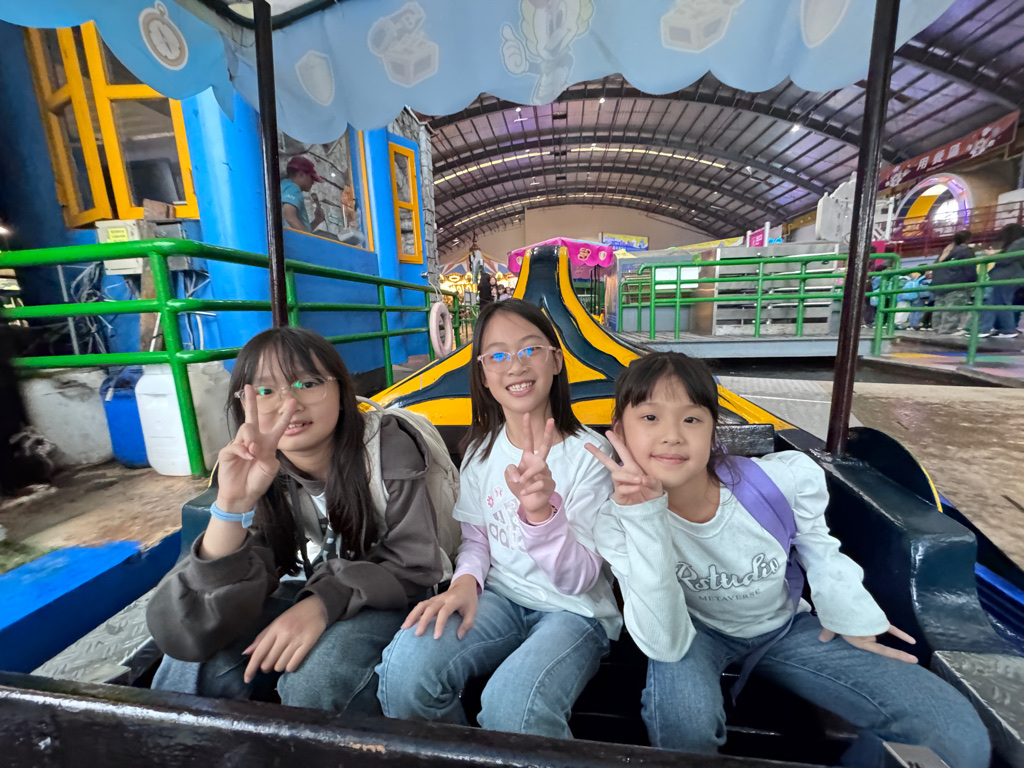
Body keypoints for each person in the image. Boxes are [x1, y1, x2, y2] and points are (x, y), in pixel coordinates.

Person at [585, 352, 990, 767]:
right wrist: (646, 517)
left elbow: (819, 546)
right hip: (692, 633)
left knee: (951, 728)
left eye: (691, 418)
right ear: (620, 432)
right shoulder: (617, 522)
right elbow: (666, 644)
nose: (672, 435)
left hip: (783, 626)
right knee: (683, 723)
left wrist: (849, 612)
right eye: (650, 417)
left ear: (712, 429)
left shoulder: (775, 482)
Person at [146, 327, 444, 712]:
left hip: (391, 596)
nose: (289, 403)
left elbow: (415, 570)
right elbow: (189, 627)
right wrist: (233, 503)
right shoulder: (252, 464)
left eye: (308, 383)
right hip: (310, 586)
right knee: (195, 667)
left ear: (341, 391)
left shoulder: (387, 449)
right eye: (265, 390)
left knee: (317, 676)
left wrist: (321, 603)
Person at [376, 299, 621, 738]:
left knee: (512, 708)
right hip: (500, 599)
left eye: (530, 349)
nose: (516, 365)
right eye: (498, 355)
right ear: (484, 375)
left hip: (574, 613)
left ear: (556, 361)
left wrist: (540, 513)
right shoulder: (481, 452)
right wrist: (464, 583)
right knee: (404, 671)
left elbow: (579, 580)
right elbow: (476, 539)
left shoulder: (591, 456)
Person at [975, 223, 1024, 339]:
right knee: (1000, 302)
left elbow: (1006, 259)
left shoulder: (1019, 242)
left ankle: (984, 329)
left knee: (994, 303)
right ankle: (1007, 329)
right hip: (1010, 277)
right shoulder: (1019, 243)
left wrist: (994, 256)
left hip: (1008, 277)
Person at [933, 231, 977, 335]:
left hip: (940, 284)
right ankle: (948, 330)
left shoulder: (946, 251)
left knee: (939, 308)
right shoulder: (966, 251)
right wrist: (973, 281)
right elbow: (969, 268)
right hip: (956, 283)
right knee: (952, 309)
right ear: (968, 239)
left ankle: (937, 329)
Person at [281, 156, 325, 233]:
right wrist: (307, 239)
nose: (313, 183)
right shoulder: (293, 188)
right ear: (300, 174)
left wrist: (317, 220)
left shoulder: (285, 185)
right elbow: (289, 216)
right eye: (311, 178)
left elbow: (299, 229)